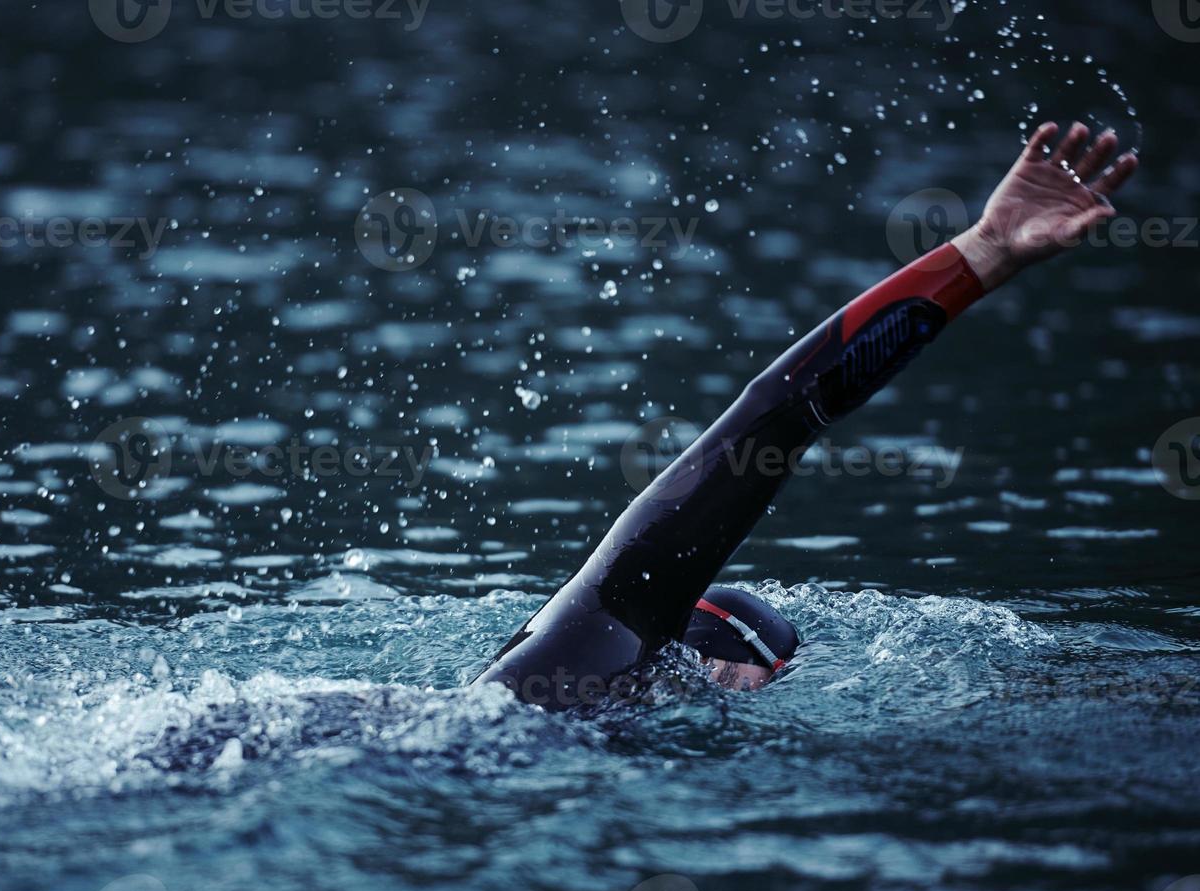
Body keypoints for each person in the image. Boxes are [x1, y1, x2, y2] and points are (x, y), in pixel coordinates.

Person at [471, 122, 1140, 710]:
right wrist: (986, 250)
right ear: (724, 669)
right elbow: (780, 408)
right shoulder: (613, 626)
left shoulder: (561, 658)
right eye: (767, 680)